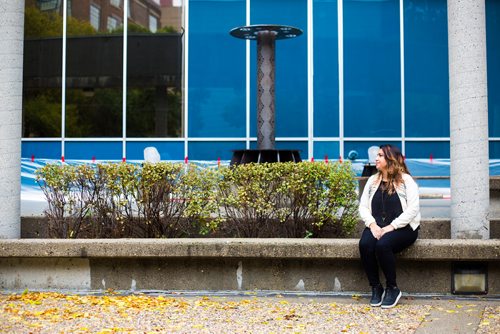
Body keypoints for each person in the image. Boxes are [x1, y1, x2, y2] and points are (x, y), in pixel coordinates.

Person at [358, 144, 420, 308]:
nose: (376, 158)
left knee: (383, 245)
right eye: (376, 155)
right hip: (377, 226)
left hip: (403, 228)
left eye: (380, 156)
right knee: (365, 244)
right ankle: (376, 287)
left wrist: (391, 227)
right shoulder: (373, 180)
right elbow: (363, 207)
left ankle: (392, 288)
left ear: (390, 159)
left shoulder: (406, 180)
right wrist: (372, 225)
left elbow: (413, 209)